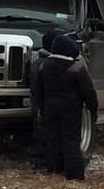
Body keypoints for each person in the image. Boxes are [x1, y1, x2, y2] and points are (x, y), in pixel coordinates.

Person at [34, 35, 98, 180]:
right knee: (71, 141)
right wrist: (93, 110)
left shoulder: (44, 66)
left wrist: (42, 108)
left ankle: (54, 169)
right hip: (71, 111)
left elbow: (38, 91)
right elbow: (89, 92)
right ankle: (74, 173)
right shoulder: (76, 68)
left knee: (53, 139)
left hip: (50, 109)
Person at [27, 33, 56, 171]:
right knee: (42, 132)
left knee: (40, 131)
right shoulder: (44, 64)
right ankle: (40, 162)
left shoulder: (37, 62)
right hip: (42, 103)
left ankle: (40, 161)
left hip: (39, 101)